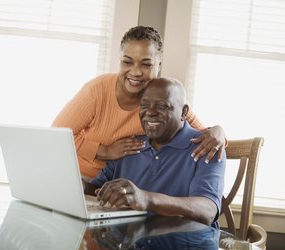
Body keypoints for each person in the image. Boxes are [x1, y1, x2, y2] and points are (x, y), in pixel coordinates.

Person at [52, 26, 225, 179]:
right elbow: (56, 135)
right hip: (80, 177)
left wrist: (218, 131)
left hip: (123, 184)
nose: (135, 72)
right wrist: (105, 151)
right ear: (119, 60)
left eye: (146, 65)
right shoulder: (97, 90)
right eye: (127, 62)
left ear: (159, 65)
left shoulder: (165, 98)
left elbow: (204, 135)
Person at [83, 78, 226, 228]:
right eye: (144, 105)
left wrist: (145, 199)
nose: (150, 112)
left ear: (183, 112)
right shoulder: (128, 146)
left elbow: (208, 210)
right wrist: (76, 183)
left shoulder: (207, 146)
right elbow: (96, 190)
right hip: (133, 241)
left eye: (162, 106)